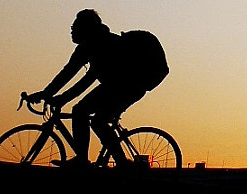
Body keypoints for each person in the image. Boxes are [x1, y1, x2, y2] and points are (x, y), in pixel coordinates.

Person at [26, 9, 171, 166]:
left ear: (85, 29)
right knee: (86, 113)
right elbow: (67, 73)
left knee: (90, 117)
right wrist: (46, 93)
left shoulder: (104, 43)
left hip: (130, 85)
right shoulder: (85, 47)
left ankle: (109, 162)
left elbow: (87, 79)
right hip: (114, 85)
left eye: (74, 27)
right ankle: (91, 160)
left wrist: (59, 98)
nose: (72, 31)